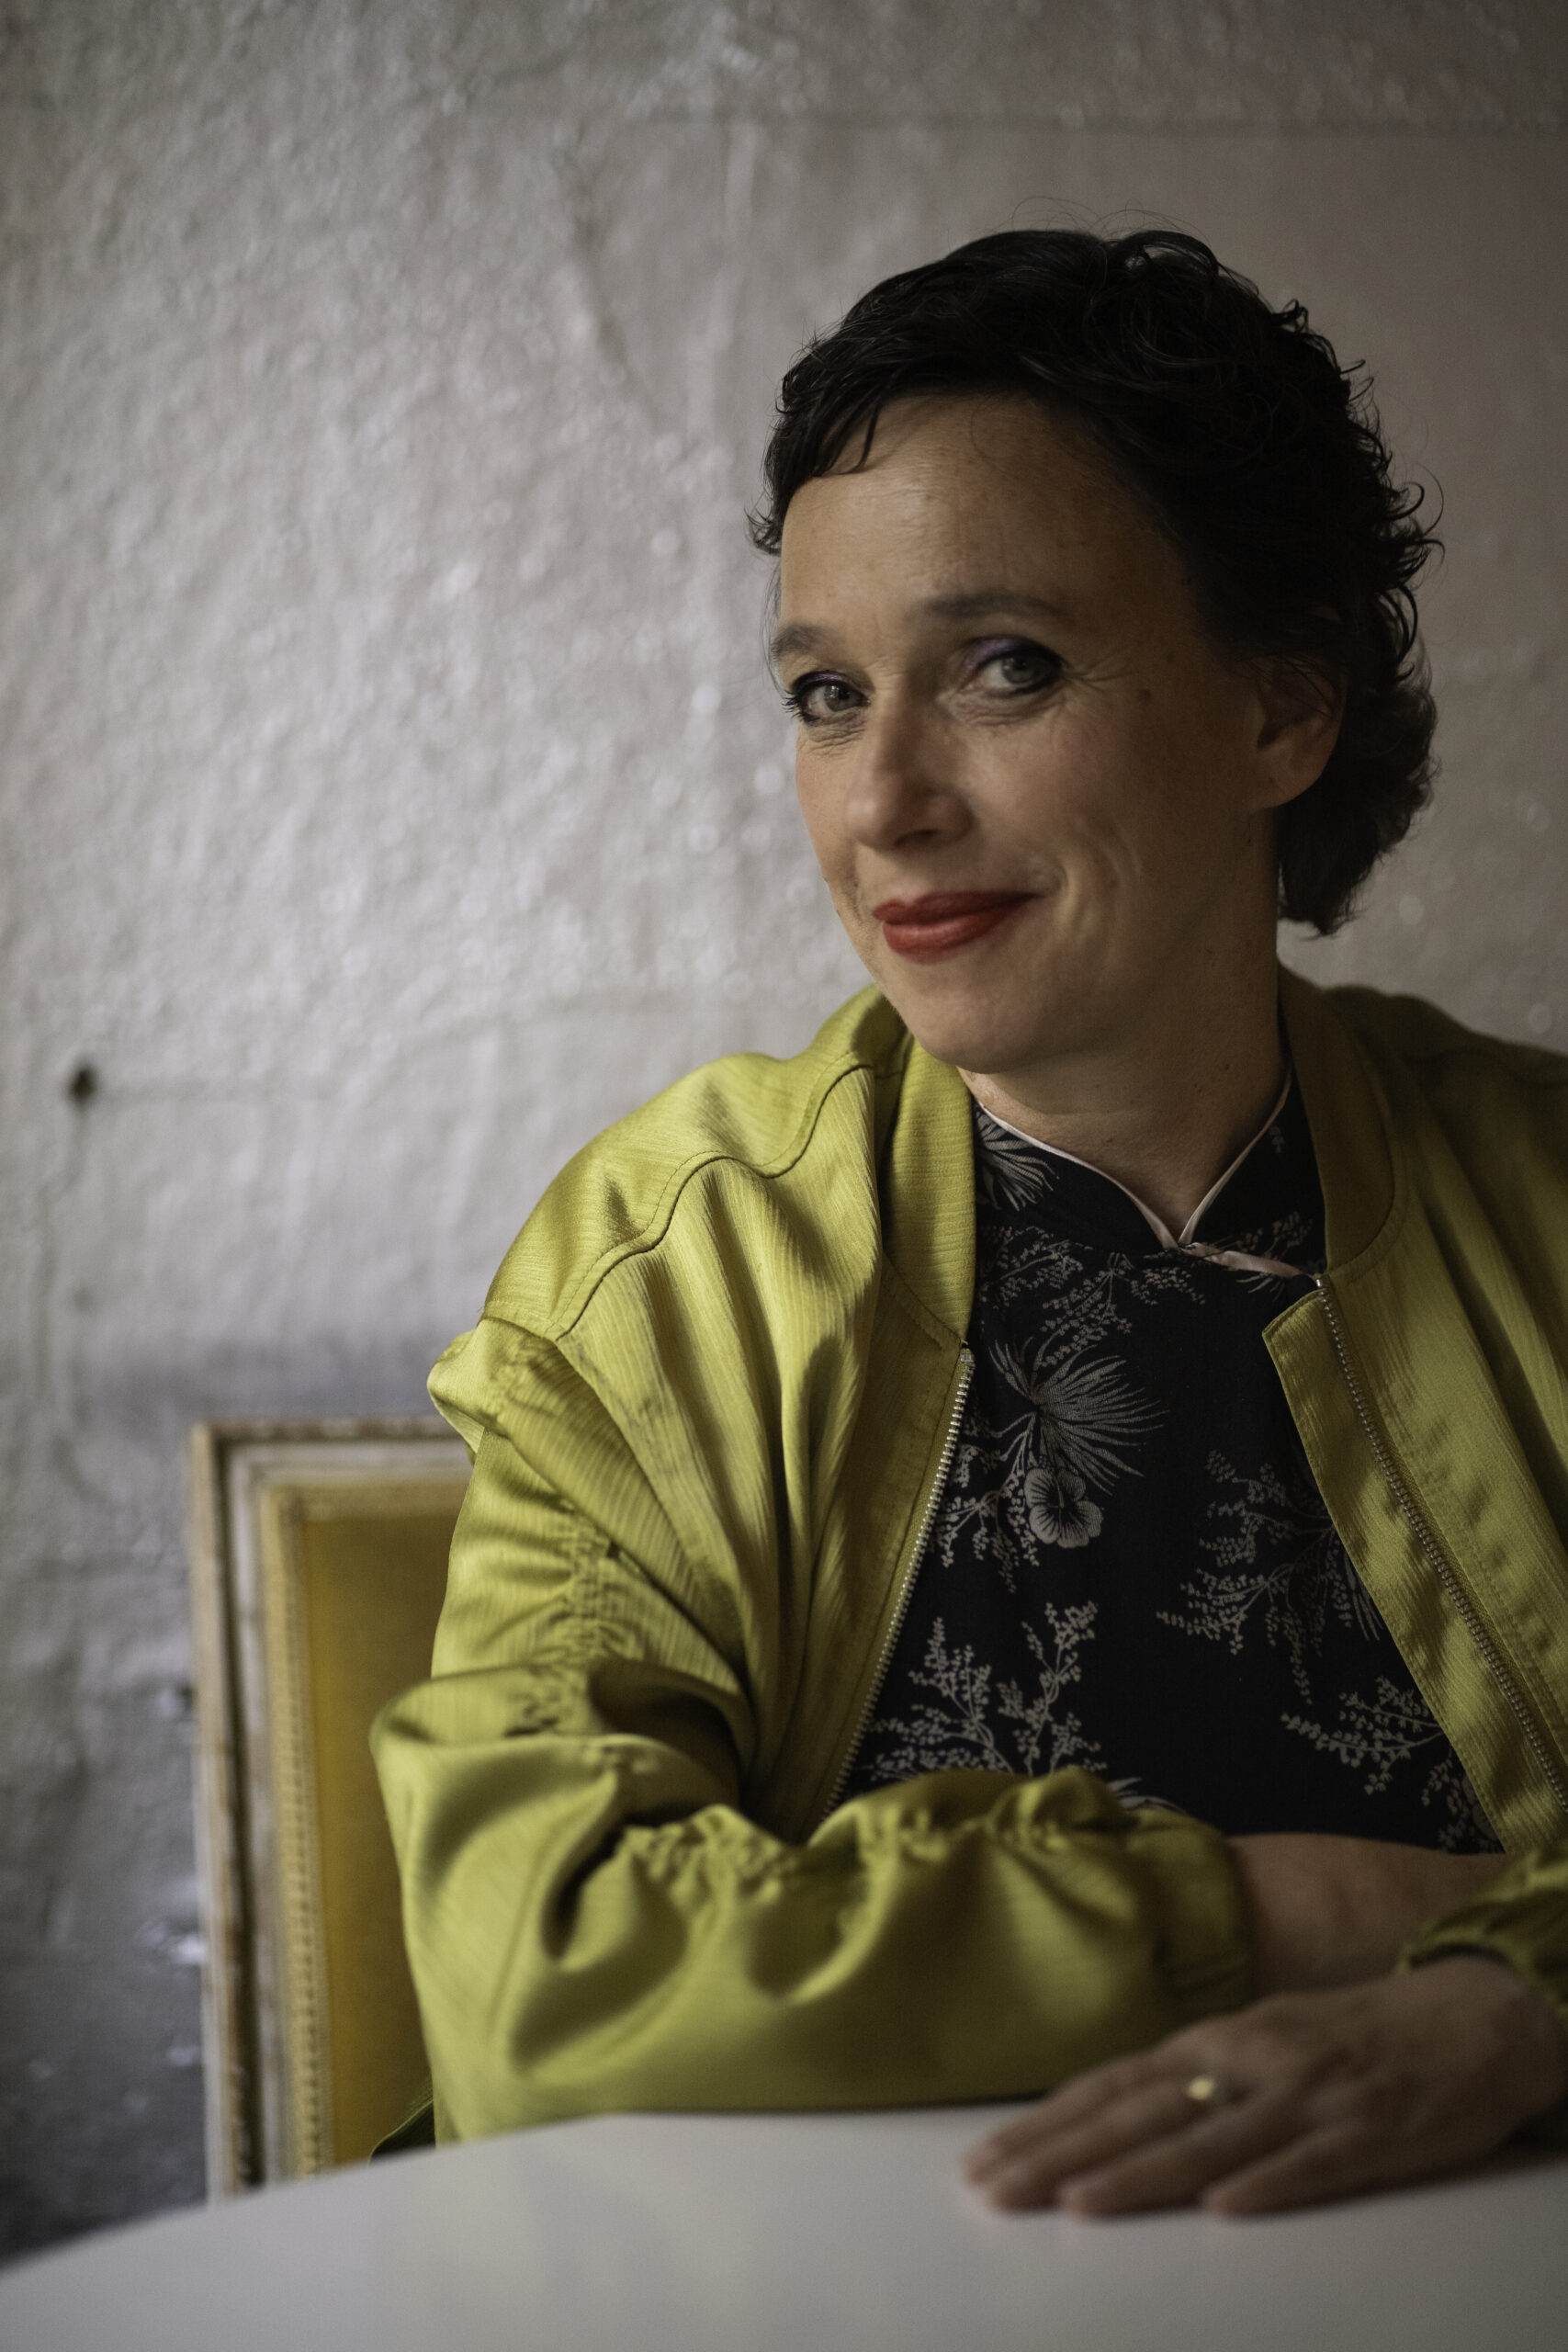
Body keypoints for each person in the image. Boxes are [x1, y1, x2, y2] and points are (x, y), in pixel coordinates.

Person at [372, 229, 1568, 2217]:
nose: (883, 803)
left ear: (1282, 707)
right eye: (827, 695)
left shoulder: (1539, 1202)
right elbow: (540, 1973)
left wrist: (1522, 2005)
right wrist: (1295, 1920)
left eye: (1004, 665)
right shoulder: (674, 1274)